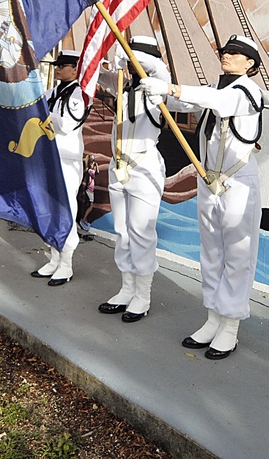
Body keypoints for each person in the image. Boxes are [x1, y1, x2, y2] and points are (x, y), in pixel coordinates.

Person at [142, 34, 265, 360]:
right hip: (208, 180)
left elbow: (222, 103)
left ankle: (230, 327)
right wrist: (159, 83)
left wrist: (172, 90)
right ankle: (213, 317)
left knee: (237, 256)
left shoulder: (248, 91)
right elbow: (185, 103)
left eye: (237, 53)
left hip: (238, 182)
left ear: (250, 63)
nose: (228, 55)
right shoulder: (214, 87)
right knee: (211, 252)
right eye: (227, 50)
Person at [96, 36, 170, 323]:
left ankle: (143, 296)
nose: (128, 65)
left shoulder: (157, 89)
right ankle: (127, 289)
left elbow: (160, 73)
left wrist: (134, 56)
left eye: (133, 60)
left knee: (141, 232)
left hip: (144, 166)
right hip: (119, 165)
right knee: (122, 231)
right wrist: (115, 59)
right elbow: (91, 73)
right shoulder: (123, 89)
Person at [31, 50, 88, 286]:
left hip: (67, 159)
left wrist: (44, 111)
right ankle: (53, 258)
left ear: (75, 69)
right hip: (49, 157)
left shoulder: (81, 95)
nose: (57, 69)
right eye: (57, 65)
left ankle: (66, 263)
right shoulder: (53, 92)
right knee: (49, 209)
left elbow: (67, 125)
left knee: (65, 209)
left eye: (62, 66)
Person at [79, 155, 99, 231]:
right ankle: (83, 220)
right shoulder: (90, 170)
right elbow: (96, 173)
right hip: (89, 190)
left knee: (88, 206)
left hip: (90, 190)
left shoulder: (89, 170)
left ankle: (85, 219)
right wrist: (96, 166)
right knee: (91, 206)